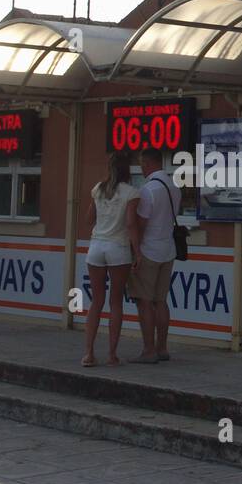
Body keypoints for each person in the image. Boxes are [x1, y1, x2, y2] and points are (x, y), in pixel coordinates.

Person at [81, 151, 140, 367]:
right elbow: (132, 224)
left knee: (96, 301)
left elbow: (89, 219)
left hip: (96, 246)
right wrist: (138, 252)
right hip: (118, 248)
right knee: (115, 302)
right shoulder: (132, 193)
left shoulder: (98, 189)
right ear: (128, 170)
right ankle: (112, 354)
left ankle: (88, 353)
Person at [129, 147, 178, 365]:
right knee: (161, 301)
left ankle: (148, 350)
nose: (141, 167)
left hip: (149, 251)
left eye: (141, 163)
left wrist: (134, 251)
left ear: (147, 163)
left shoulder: (148, 190)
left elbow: (139, 224)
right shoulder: (173, 186)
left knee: (145, 302)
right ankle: (162, 348)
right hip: (168, 249)